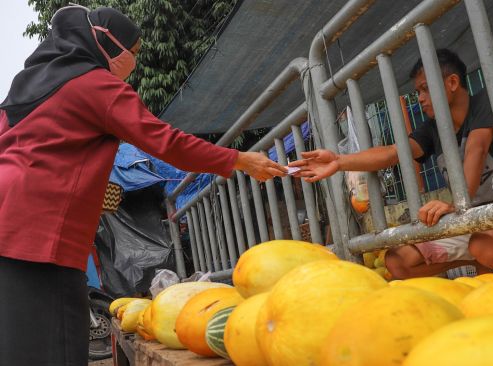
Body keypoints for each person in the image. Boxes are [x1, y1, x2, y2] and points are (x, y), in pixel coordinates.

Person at [0, 6, 285, 365]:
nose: (134, 61)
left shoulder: (24, 91)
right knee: (59, 340)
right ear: (105, 43)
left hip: (8, 222)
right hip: (43, 228)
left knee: (20, 339)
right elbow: (163, 140)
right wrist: (238, 159)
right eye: (131, 52)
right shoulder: (93, 83)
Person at [290, 49, 493, 279]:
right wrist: (339, 160)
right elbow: (391, 153)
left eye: (425, 89)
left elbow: (476, 148)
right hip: (469, 221)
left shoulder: (484, 103)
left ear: (453, 82)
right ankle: (483, 261)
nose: (420, 98)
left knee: (483, 244)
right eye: (418, 92)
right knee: (398, 261)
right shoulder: (433, 129)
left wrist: (454, 204)